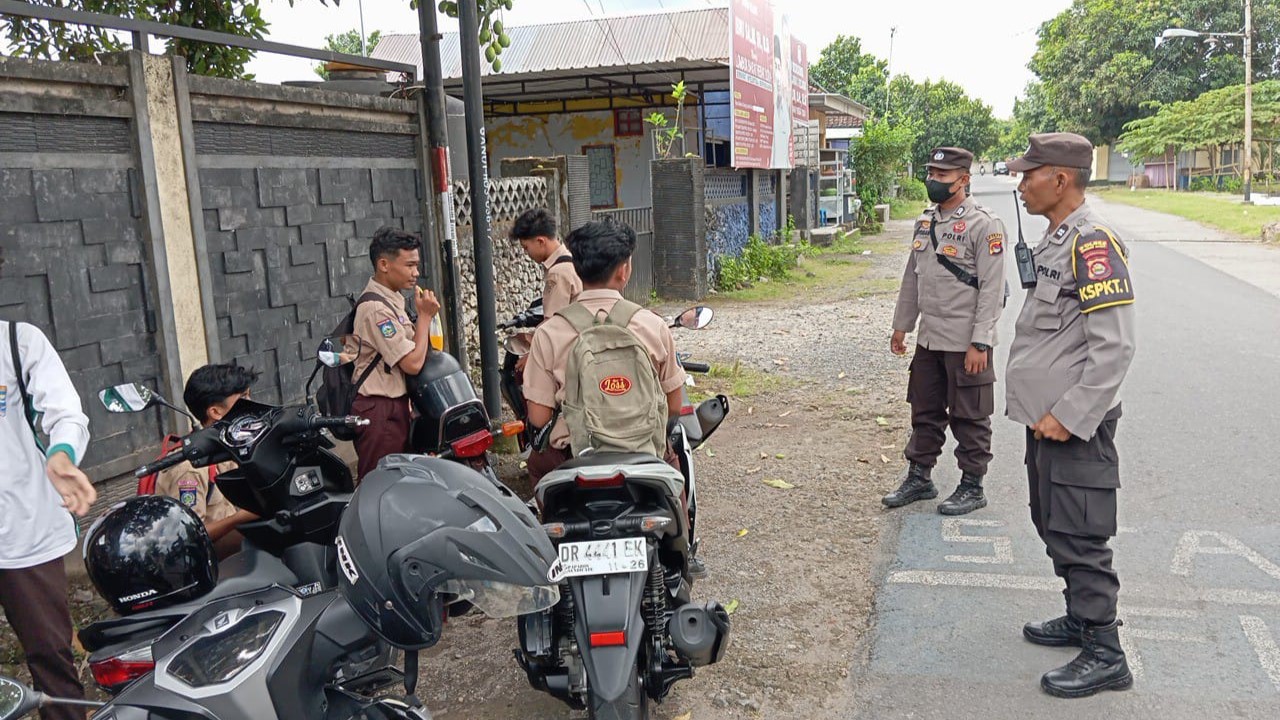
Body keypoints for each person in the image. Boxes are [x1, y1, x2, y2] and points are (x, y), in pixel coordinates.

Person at [1006, 132, 1136, 698]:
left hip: (1073, 426)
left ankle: (1106, 651)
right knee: (1050, 521)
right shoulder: (1058, 238)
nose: (1020, 183)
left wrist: (1072, 414)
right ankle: (1082, 619)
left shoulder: (1093, 243)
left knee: (1080, 534)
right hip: (1048, 421)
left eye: (1029, 174)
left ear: (1060, 178)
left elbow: (1114, 348)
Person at [522, 219, 704, 576]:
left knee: (538, 467)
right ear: (624, 270)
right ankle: (682, 559)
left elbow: (539, 419)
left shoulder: (549, 333)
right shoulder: (651, 326)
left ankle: (553, 563)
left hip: (573, 457)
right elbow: (673, 405)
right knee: (675, 475)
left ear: (576, 267)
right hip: (643, 457)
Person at [885, 147, 1008, 515]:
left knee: (970, 415)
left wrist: (981, 342)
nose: (933, 181)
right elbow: (912, 278)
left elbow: (992, 288)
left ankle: (972, 484)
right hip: (929, 338)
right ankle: (919, 477)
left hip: (966, 341)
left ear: (964, 180)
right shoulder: (925, 223)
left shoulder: (984, 225)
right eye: (931, 174)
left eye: (942, 176)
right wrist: (901, 326)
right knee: (924, 410)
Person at [1, 318, 97, 720]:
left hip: (24, 532)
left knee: (50, 657)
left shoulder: (16, 341)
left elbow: (66, 414)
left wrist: (61, 455)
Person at [352, 227, 440, 481]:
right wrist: (424, 318)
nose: (416, 273)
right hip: (379, 410)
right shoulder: (375, 310)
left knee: (401, 484)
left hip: (396, 407)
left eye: (417, 265)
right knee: (379, 486)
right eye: (410, 265)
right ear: (384, 264)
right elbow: (412, 363)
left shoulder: (392, 301)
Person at [154, 362, 259, 558]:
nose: (251, 403)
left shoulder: (227, 446)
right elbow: (189, 536)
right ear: (215, 412)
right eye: (243, 398)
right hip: (208, 560)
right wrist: (241, 518)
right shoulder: (190, 469)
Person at [511, 208, 583, 374]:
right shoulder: (571, 259)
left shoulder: (558, 273)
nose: (526, 253)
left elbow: (553, 325)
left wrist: (531, 356)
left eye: (526, 247)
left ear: (541, 241)